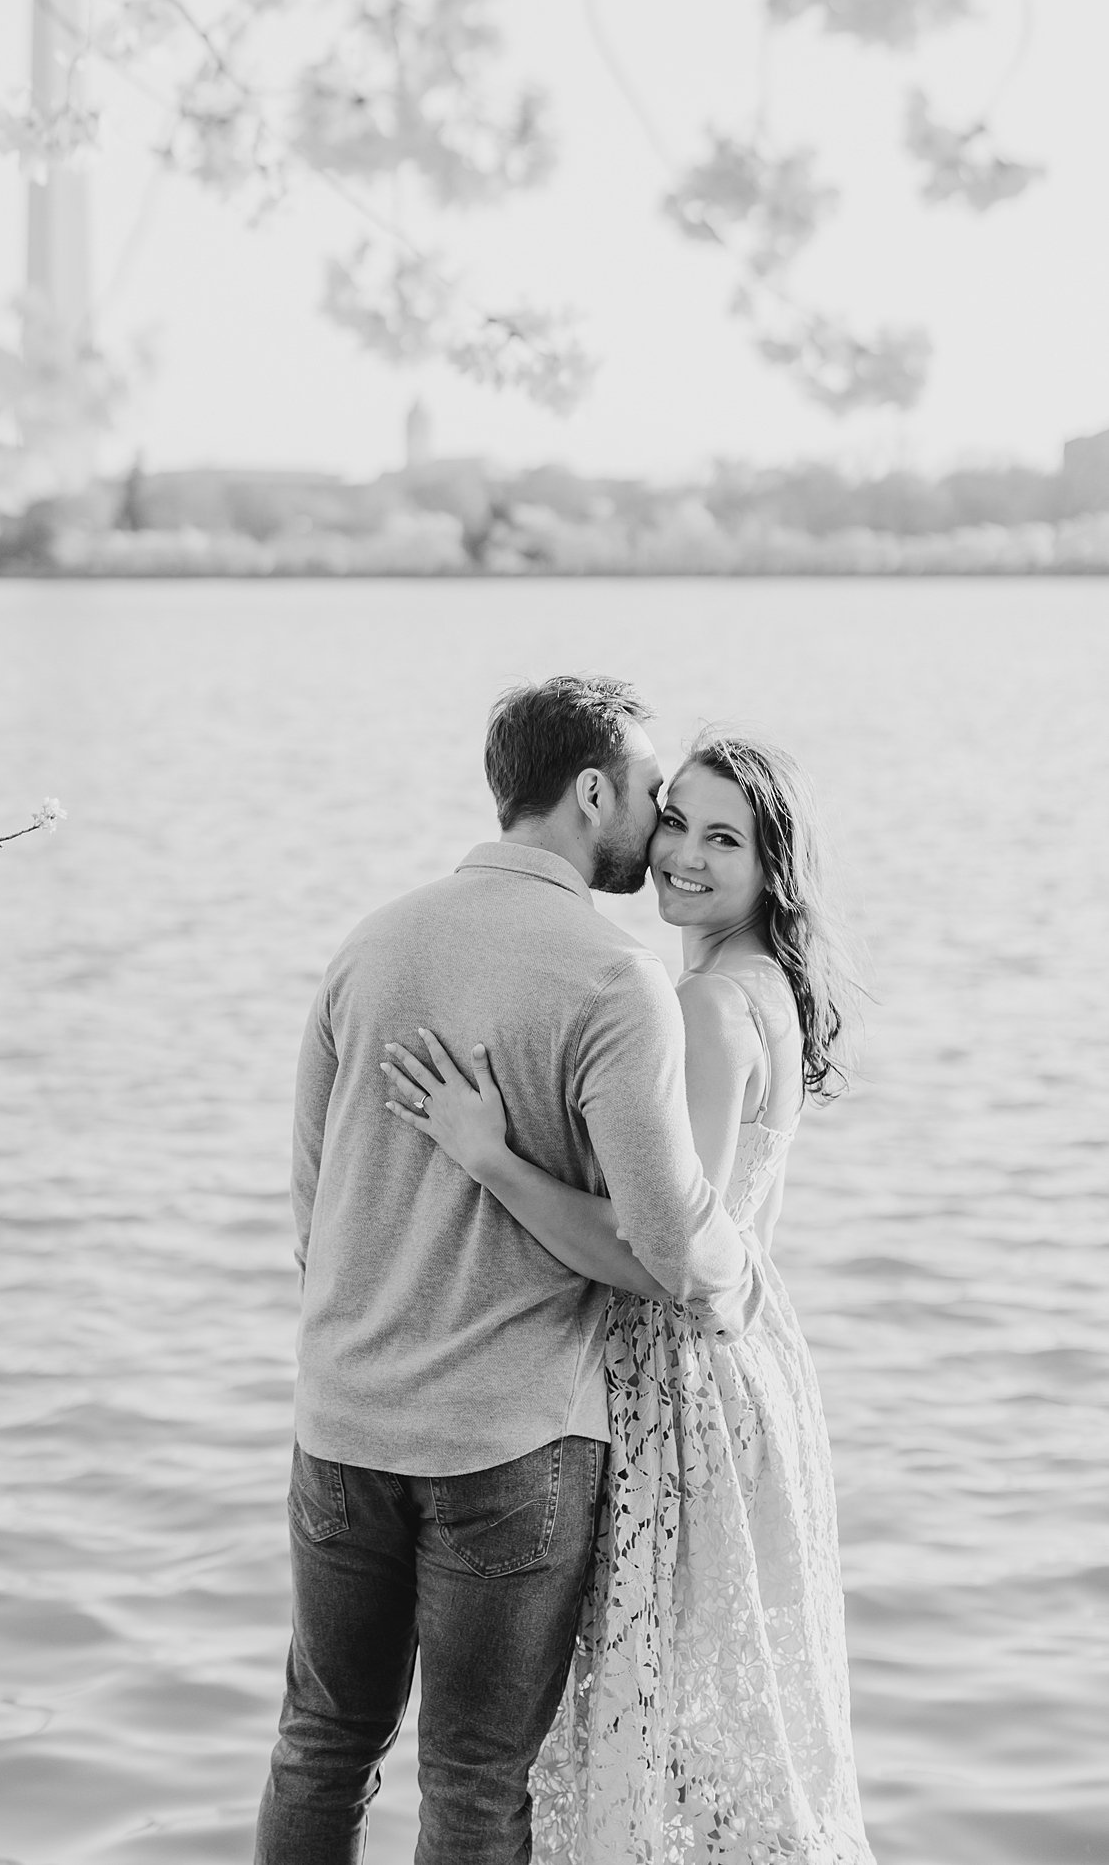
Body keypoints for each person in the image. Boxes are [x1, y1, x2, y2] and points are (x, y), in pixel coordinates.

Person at [253, 678, 765, 1865]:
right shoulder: (611, 976)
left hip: (340, 1426)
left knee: (321, 1745)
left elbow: (309, 1214)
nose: (662, 828)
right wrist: (739, 1268)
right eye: (649, 794)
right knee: (476, 1782)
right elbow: (669, 1247)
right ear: (592, 792)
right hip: (510, 1443)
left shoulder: (370, 943)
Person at [385, 728, 874, 1865]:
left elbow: (656, 1252)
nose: (685, 859)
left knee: (648, 1730)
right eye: (677, 823)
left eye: (724, 839)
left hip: (682, 1386)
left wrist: (489, 1154)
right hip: (754, 1369)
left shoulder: (703, 1010)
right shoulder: (761, 988)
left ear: (772, 869)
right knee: (708, 1718)